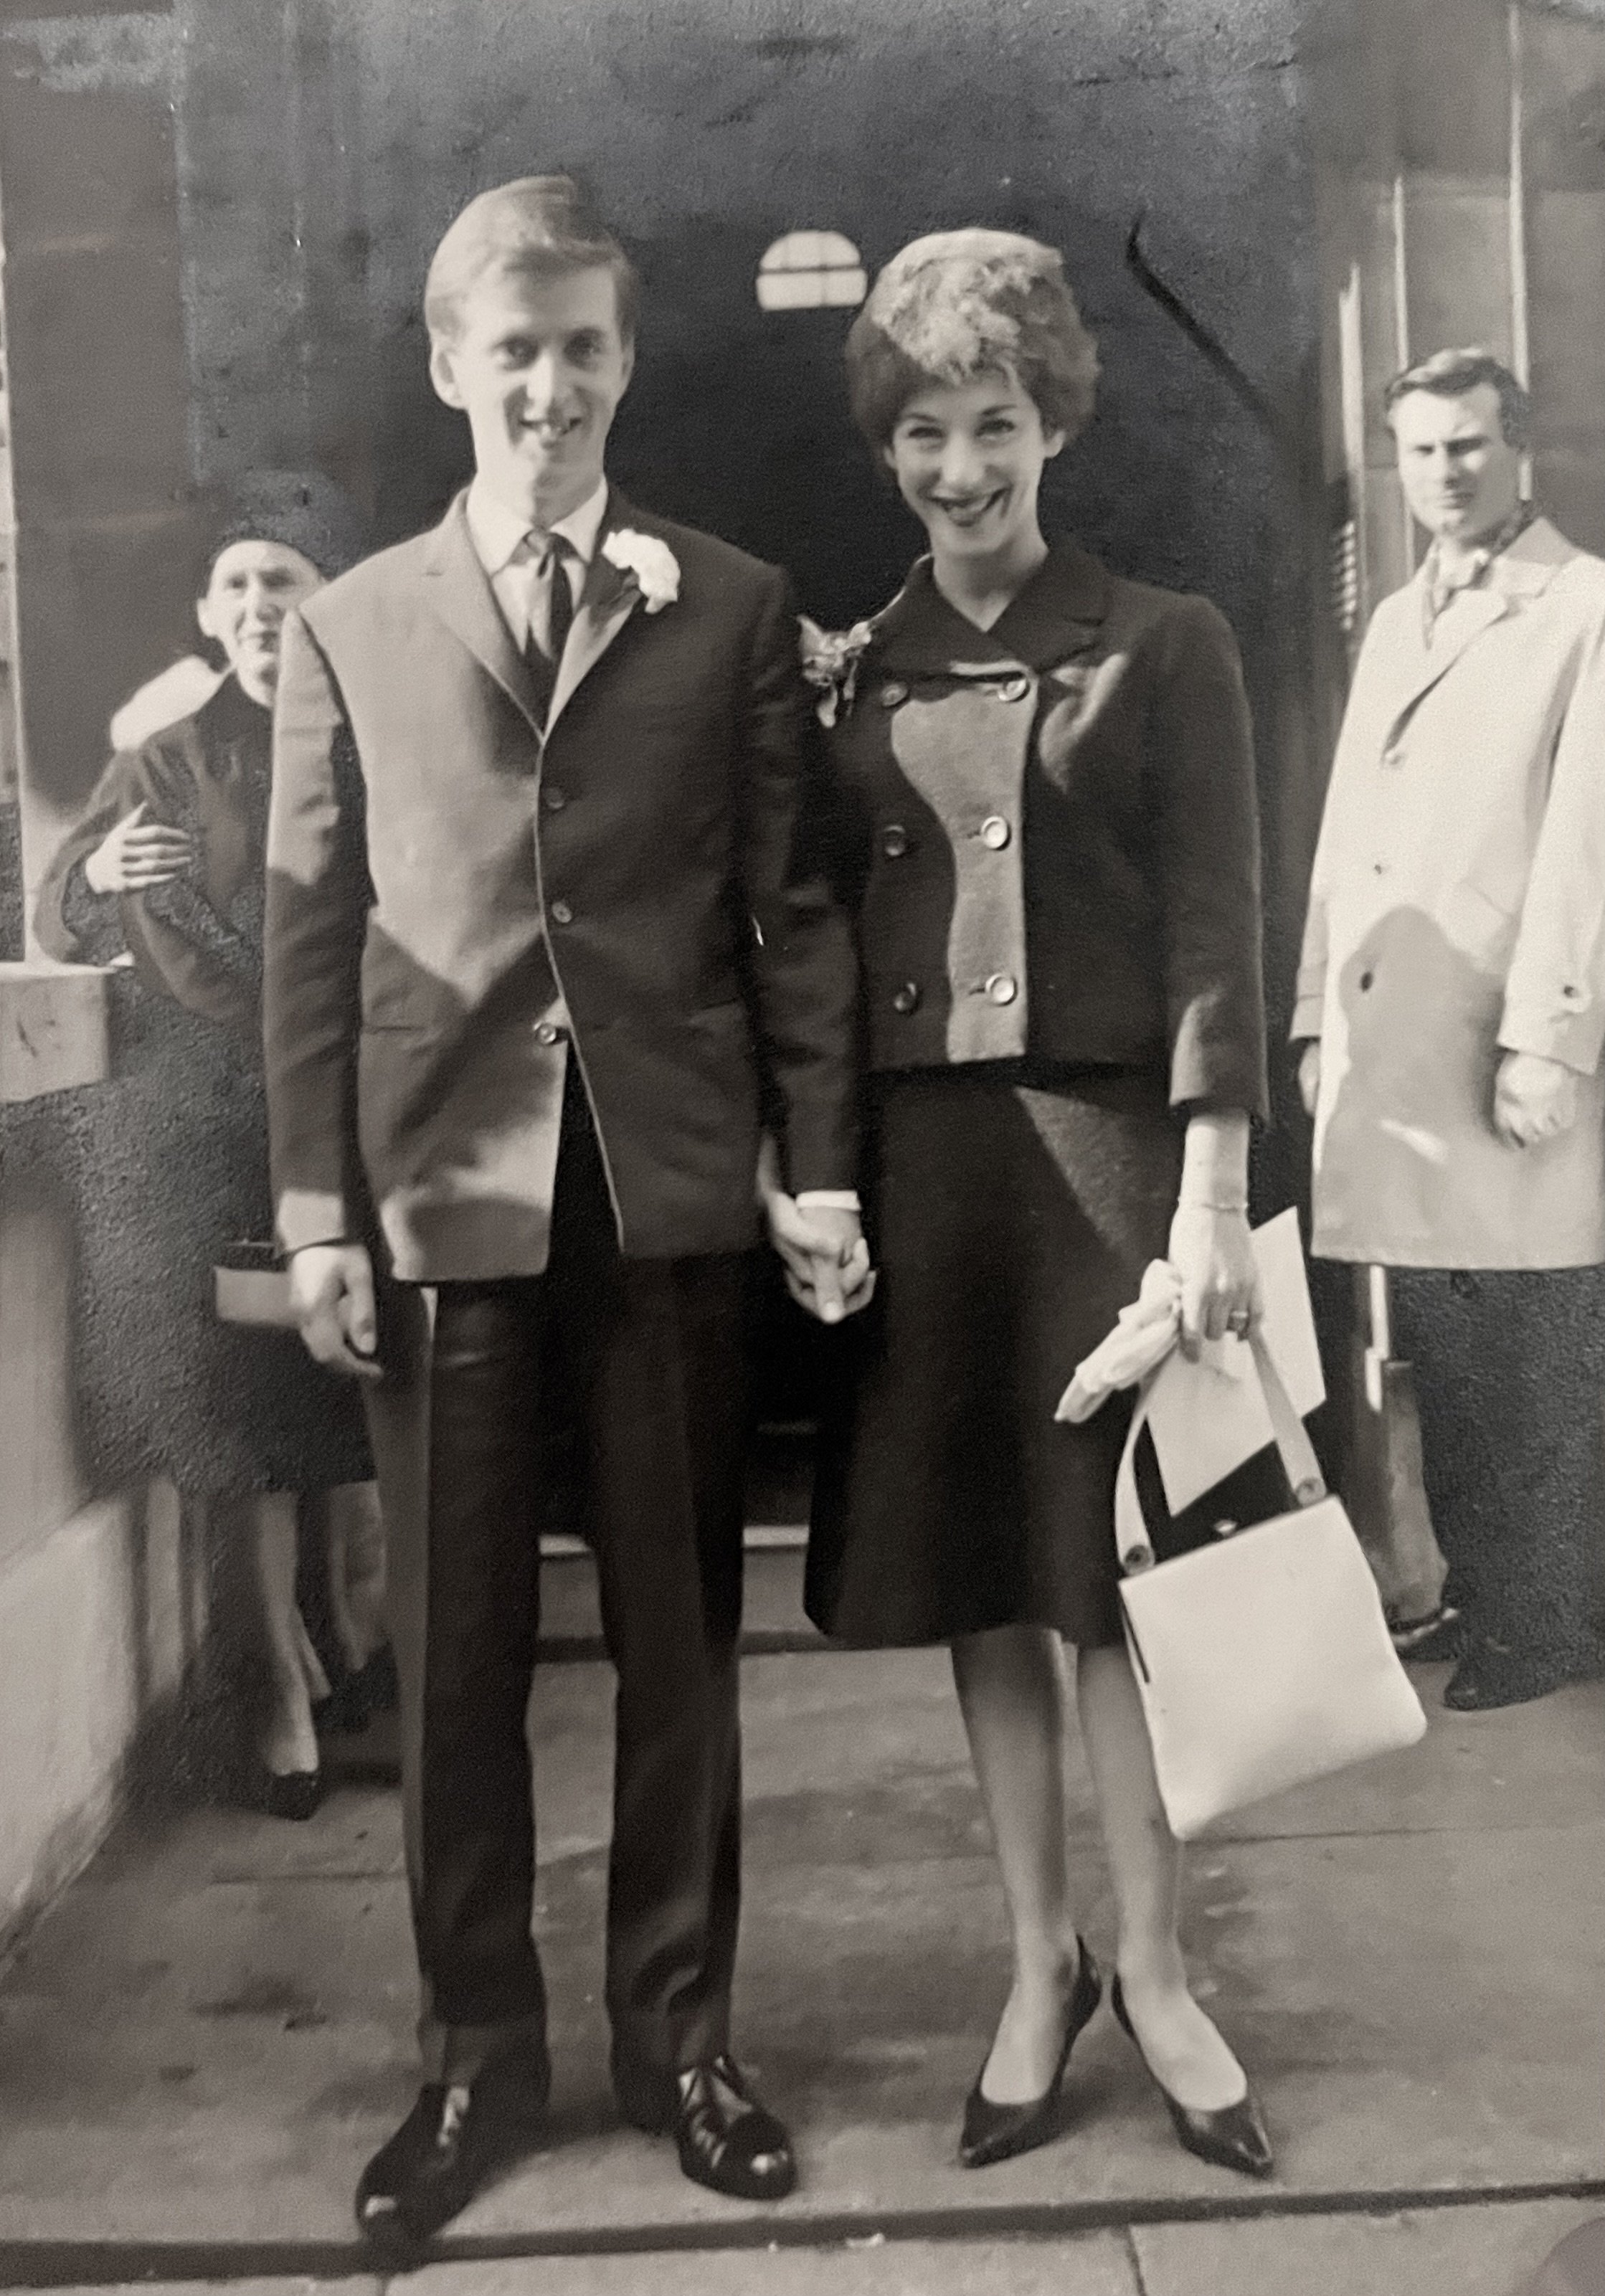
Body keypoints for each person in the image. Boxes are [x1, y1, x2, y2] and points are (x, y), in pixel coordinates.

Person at [262, 176, 863, 2246]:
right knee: (453, 1663)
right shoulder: (348, 625)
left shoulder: (730, 600)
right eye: (510, 350)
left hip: (665, 1190)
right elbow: (309, 940)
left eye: (581, 346)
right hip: (441, 1205)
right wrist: (313, 1208)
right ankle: (470, 2063)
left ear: (628, 360)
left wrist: (815, 1156)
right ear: (450, 366)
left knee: (682, 1647)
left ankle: (681, 2040)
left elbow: (788, 911)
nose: (548, 386)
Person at [776, 228, 1274, 2181]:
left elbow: (1218, 929)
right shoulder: (843, 673)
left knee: (1117, 1585)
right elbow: (809, 949)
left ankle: (1156, 1967)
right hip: (927, 1174)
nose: (959, 466)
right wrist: (816, 1170)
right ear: (885, 448)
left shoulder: (1164, 639)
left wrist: (1211, 1191)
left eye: (991, 422)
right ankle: (1034, 1959)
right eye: (922, 431)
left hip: (1110, 1163)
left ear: (1052, 421)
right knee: (983, 1574)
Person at [34, 474, 383, 1817]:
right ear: (203, 610)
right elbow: (90, 920)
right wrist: (91, 877)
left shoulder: (375, 733)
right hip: (216, 1119)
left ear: (328, 599)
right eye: (233, 584)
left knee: (338, 1393)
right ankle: (278, 1689)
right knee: (244, 1418)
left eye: (280, 580)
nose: (255, 605)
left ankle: (346, 1634)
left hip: (348, 1103)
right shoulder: (172, 755)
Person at [1294, 347, 1605, 1714]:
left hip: (1499, 1037)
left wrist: (1549, 1036)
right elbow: (1345, 832)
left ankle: (1547, 1621)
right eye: (1419, 451)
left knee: (1529, 1347)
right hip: (1398, 1043)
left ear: (1515, 446)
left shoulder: (1582, 605)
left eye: (1467, 444)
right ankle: (1489, 1591)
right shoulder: (1395, 618)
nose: (1444, 472)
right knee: (1441, 1338)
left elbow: (1588, 839)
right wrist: (1314, 1007)